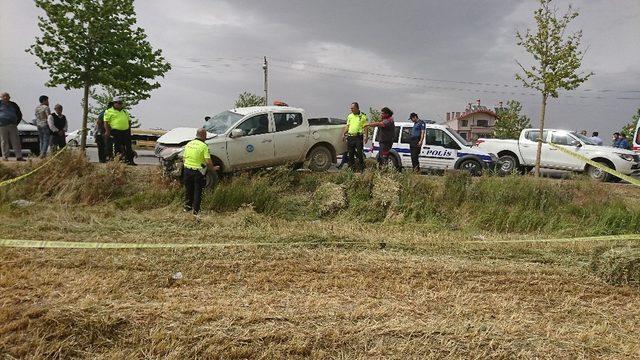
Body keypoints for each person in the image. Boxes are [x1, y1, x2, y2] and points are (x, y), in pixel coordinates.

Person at [183, 128, 219, 215]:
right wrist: (213, 169)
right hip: (198, 172)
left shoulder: (189, 144)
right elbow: (208, 161)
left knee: (188, 190)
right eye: (205, 135)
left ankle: (187, 208)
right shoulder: (204, 146)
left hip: (187, 170)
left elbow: (184, 158)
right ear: (203, 135)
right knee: (197, 191)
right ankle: (195, 212)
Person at [103, 96, 135, 165]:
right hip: (115, 131)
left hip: (125, 131)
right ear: (114, 103)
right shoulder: (109, 111)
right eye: (118, 103)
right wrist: (107, 131)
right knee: (117, 147)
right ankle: (117, 161)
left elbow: (129, 121)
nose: (120, 104)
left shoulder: (125, 111)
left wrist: (129, 129)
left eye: (121, 103)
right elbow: (106, 122)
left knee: (128, 146)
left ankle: (130, 160)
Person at [342, 102, 368, 171]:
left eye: (352, 108)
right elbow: (347, 126)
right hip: (350, 137)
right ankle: (352, 168)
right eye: (351, 108)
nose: (351, 109)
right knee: (350, 153)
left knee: (359, 153)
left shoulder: (363, 116)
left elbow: (365, 127)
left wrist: (366, 136)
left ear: (357, 108)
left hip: (358, 137)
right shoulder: (350, 116)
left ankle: (362, 167)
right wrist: (343, 134)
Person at [0, 92, 25, 161]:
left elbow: (19, 114)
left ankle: (19, 156)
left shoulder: (13, 104)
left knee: (16, 141)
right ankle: (5, 157)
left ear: (9, 97)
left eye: (7, 96)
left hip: (12, 125)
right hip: (2, 125)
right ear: (1, 97)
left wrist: (16, 122)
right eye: (3, 96)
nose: (5, 97)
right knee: (4, 141)